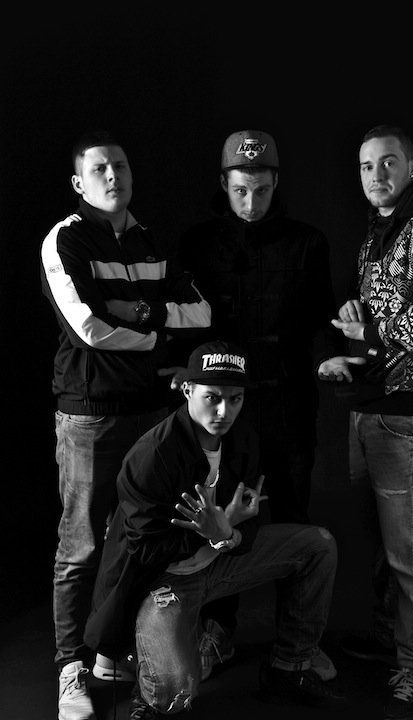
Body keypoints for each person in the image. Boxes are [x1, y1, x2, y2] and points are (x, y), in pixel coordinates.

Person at [40, 129, 211, 720]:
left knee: (142, 539)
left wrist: (137, 311)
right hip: (90, 416)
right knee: (82, 546)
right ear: (78, 182)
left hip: (152, 414)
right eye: (99, 169)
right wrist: (159, 335)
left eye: (120, 165)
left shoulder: (151, 241)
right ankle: (72, 668)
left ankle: (115, 653)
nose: (112, 175)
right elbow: (88, 327)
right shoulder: (65, 240)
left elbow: (201, 312)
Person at [83, 340, 347, 718]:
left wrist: (230, 530)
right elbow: (145, 551)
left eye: (235, 399)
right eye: (212, 397)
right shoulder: (152, 455)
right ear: (188, 390)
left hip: (218, 563)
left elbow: (249, 520)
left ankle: (290, 667)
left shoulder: (243, 439)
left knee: (317, 545)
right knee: (175, 695)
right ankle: (142, 663)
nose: (224, 411)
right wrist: (213, 531)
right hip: (163, 580)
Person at [176, 129, 343, 683]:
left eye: (263, 191)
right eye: (240, 190)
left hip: (289, 404)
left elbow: (321, 316)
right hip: (224, 413)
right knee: (222, 518)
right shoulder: (199, 243)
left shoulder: (307, 242)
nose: (251, 203)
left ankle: (297, 643)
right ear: (223, 184)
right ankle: (217, 632)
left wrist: (329, 355)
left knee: (293, 517)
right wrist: (181, 372)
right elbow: (184, 323)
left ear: (277, 184)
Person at [318, 124, 413, 720]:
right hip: (370, 406)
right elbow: (378, 322)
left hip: (407, 410)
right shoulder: (377, 235)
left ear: (412, 167)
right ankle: (392, 642)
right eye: (366, 166)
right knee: (384, 542)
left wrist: (372, 331)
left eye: (388, 163)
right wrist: (357, 323)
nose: (376, 175)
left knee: (411, 547)